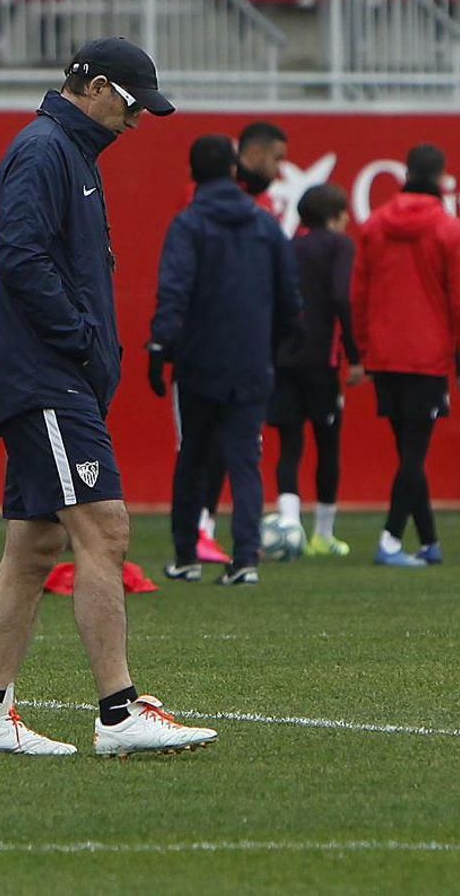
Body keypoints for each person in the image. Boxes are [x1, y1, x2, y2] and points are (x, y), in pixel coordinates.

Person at [0, 37, 216, 757]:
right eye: (132, 107)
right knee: (104, 529)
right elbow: (18, 256)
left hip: (53, 379)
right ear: (96, 86)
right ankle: (117, 710)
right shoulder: (46, 150)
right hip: (48, 380)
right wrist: (81, 339)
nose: (136, 124)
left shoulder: (67, 153)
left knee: (35, 543)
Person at [150, 134, 301, 586]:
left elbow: (173, 291)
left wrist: (160, 348)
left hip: (198, 360)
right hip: (252, 360)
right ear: (234, 169)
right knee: (245, 460)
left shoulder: (188, 223)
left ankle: (186, 555)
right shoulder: (264, 223)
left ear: (193, 172)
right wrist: (275, 345)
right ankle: (246, 559)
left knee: (192, 456)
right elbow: (290, 296)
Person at [353, 144, 460, 568]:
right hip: (427, 356)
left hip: (386, 353)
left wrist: (362, 348)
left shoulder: (374, 224)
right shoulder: (449, 229)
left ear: (406, 173)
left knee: (408, 448)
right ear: (443, 177)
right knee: (414, 453)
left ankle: (428, 539)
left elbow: (359, 292)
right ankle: (391, 538)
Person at [192, 120, 292, 565]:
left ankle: (209, 532)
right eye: (276, 158)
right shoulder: (206, 204)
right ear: (250, 155)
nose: (278, 168)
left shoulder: (262, 208)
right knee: (205, 443)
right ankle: (200, 531)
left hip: (246, 349)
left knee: (237, 447)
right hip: (212, 347)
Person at [267, 183, 363, 557]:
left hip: (284, 357)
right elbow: (341, 295)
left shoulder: (288, 245)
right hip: (322, 359)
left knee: (290, 445)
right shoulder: (340, 245)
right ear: (335, 215)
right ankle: (324, 534)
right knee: (327, 444)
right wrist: (354, 355)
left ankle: (291, 529)